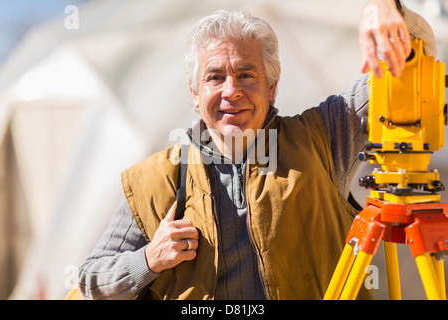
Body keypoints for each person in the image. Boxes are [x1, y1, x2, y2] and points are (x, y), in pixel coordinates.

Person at [78, 0, 437, 300]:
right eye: (215, 77)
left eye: (247, 75)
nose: (231, 91)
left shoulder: (324, 137)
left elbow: (407, 65)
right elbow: (89, 278)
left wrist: (385, 9)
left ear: (272, 88)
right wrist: (148, 259)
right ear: (194, 93)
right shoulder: (154, 179)